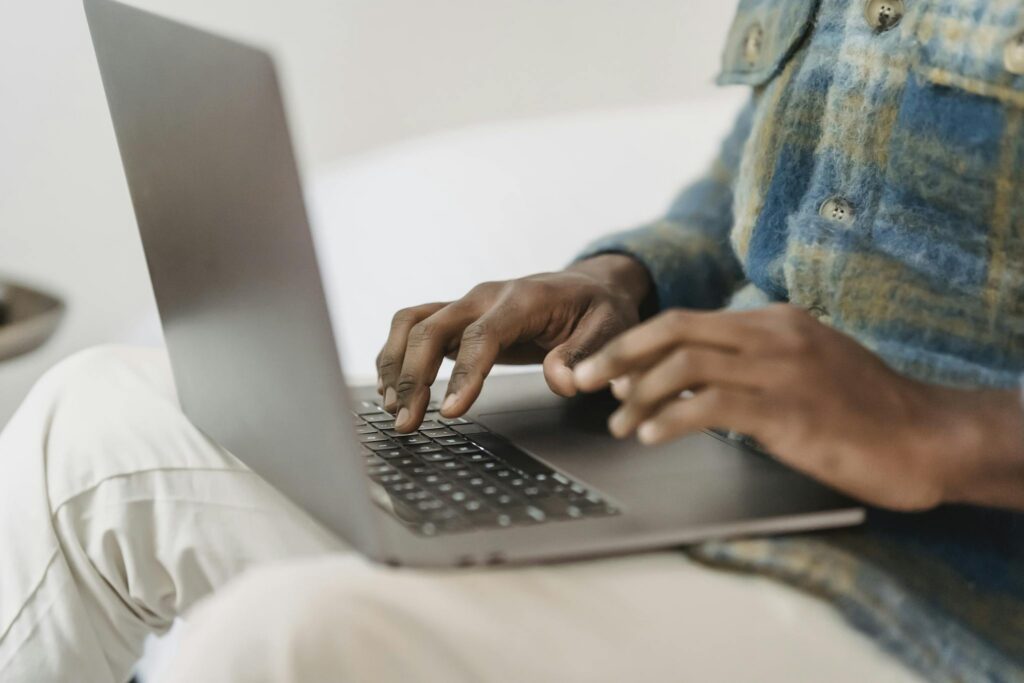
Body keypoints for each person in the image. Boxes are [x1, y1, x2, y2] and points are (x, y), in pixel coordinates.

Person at [3, 1, 1024, 681]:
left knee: (286, 642)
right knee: (88, 426)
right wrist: (622, 277)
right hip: (701, 464)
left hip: (945, 588)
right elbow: (759, 178)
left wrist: (938, 429)